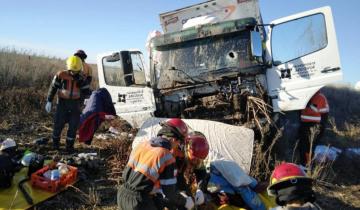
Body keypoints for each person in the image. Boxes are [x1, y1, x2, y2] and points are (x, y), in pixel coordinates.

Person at [117, 119, 195, 210]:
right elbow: (170, 192)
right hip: (139, 202)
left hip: (122, 194)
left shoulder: (142, 145)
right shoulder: (166, 156)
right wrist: (185, 201)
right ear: (174, 139)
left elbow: (141, 177)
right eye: (179, 142)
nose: (178, 145)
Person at [45, 55, 87, 152]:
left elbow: (86, 91)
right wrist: (49, 101)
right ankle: (55, 145)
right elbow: (53, 87)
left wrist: (85, 103)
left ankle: (69, 147)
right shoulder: (61, 75)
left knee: (73, 127)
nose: (74, 73)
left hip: (76, 105)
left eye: (76, 71)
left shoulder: (81, 78)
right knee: (58, 125)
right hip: (62, 104)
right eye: (72, 70)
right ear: (68, 68)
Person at [298, 91, 329, 167]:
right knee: (304, 145)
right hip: (306, 124)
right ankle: (305, 164)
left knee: (309, 146)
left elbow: (316, 109)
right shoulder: (310, 95)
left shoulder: (319, 97)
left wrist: (307, 103)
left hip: (314, 125)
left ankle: (307, 165)